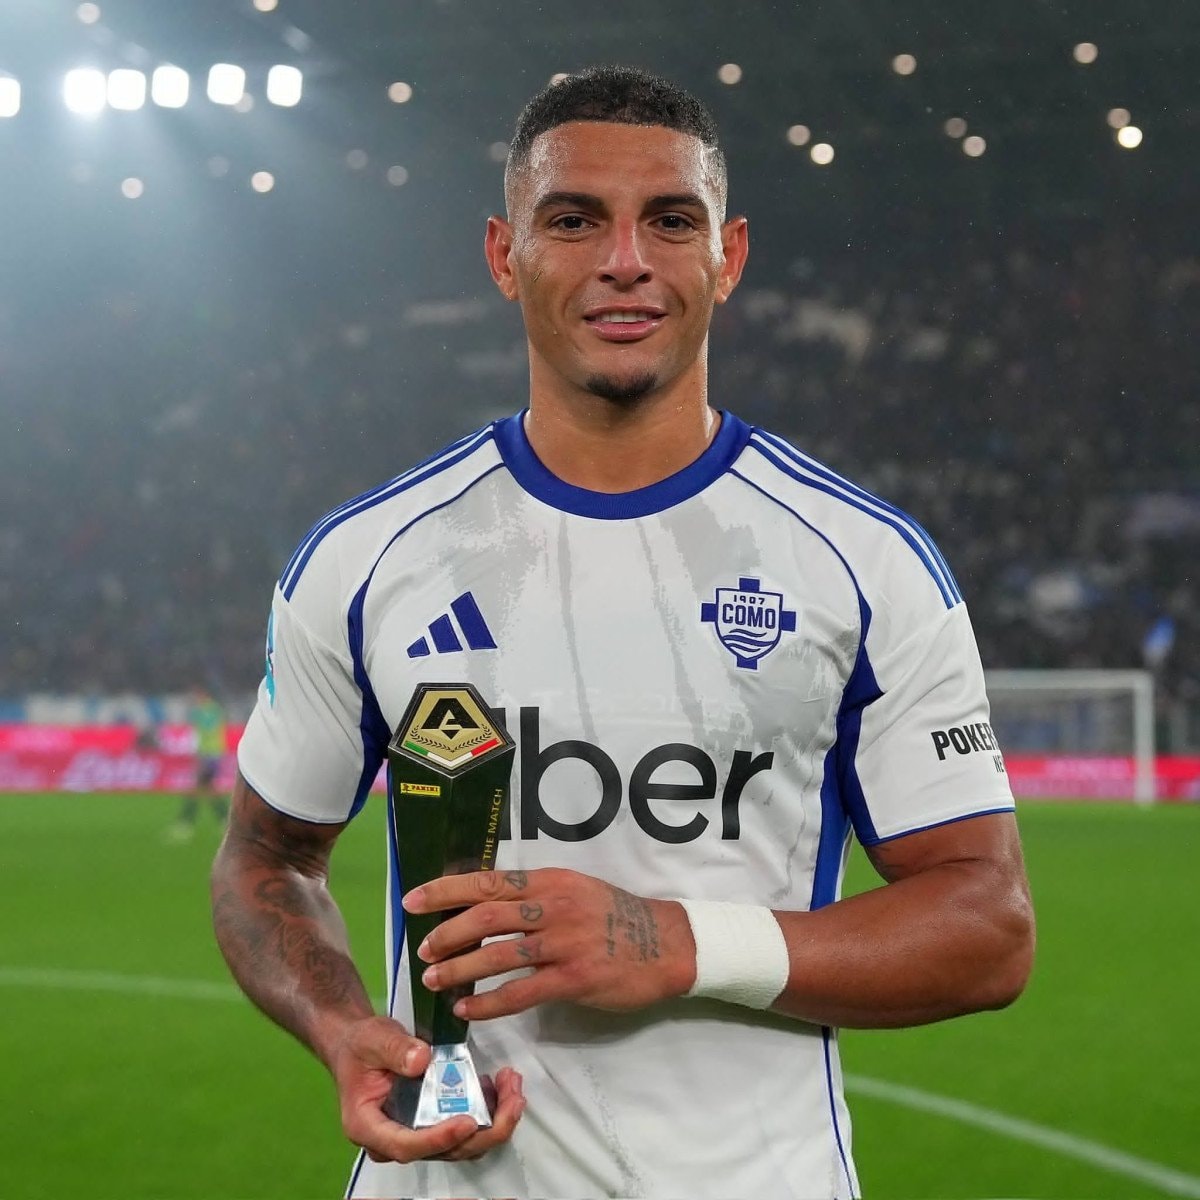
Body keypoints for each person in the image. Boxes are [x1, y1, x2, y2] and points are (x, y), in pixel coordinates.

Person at [212, 65, 1035, 1199]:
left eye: (671, 221)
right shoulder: (368, 561)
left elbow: (988, 926)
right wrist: (344, 1025)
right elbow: (266, 858)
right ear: (504, 255)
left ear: (728, 257)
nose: (626, 260)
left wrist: (674, 941)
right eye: (573, 220)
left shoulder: (864, 564)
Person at [166, 686, 229, 841]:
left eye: (197, 696)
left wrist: (202, 755)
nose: (195, 700)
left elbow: (208, 729)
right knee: (209, 790)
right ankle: (225, 821)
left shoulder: (209, 710)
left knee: (196, 790)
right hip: (209, 754)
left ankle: (185, 824)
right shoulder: (206, 710)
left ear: (203, 695)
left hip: (210, 755)